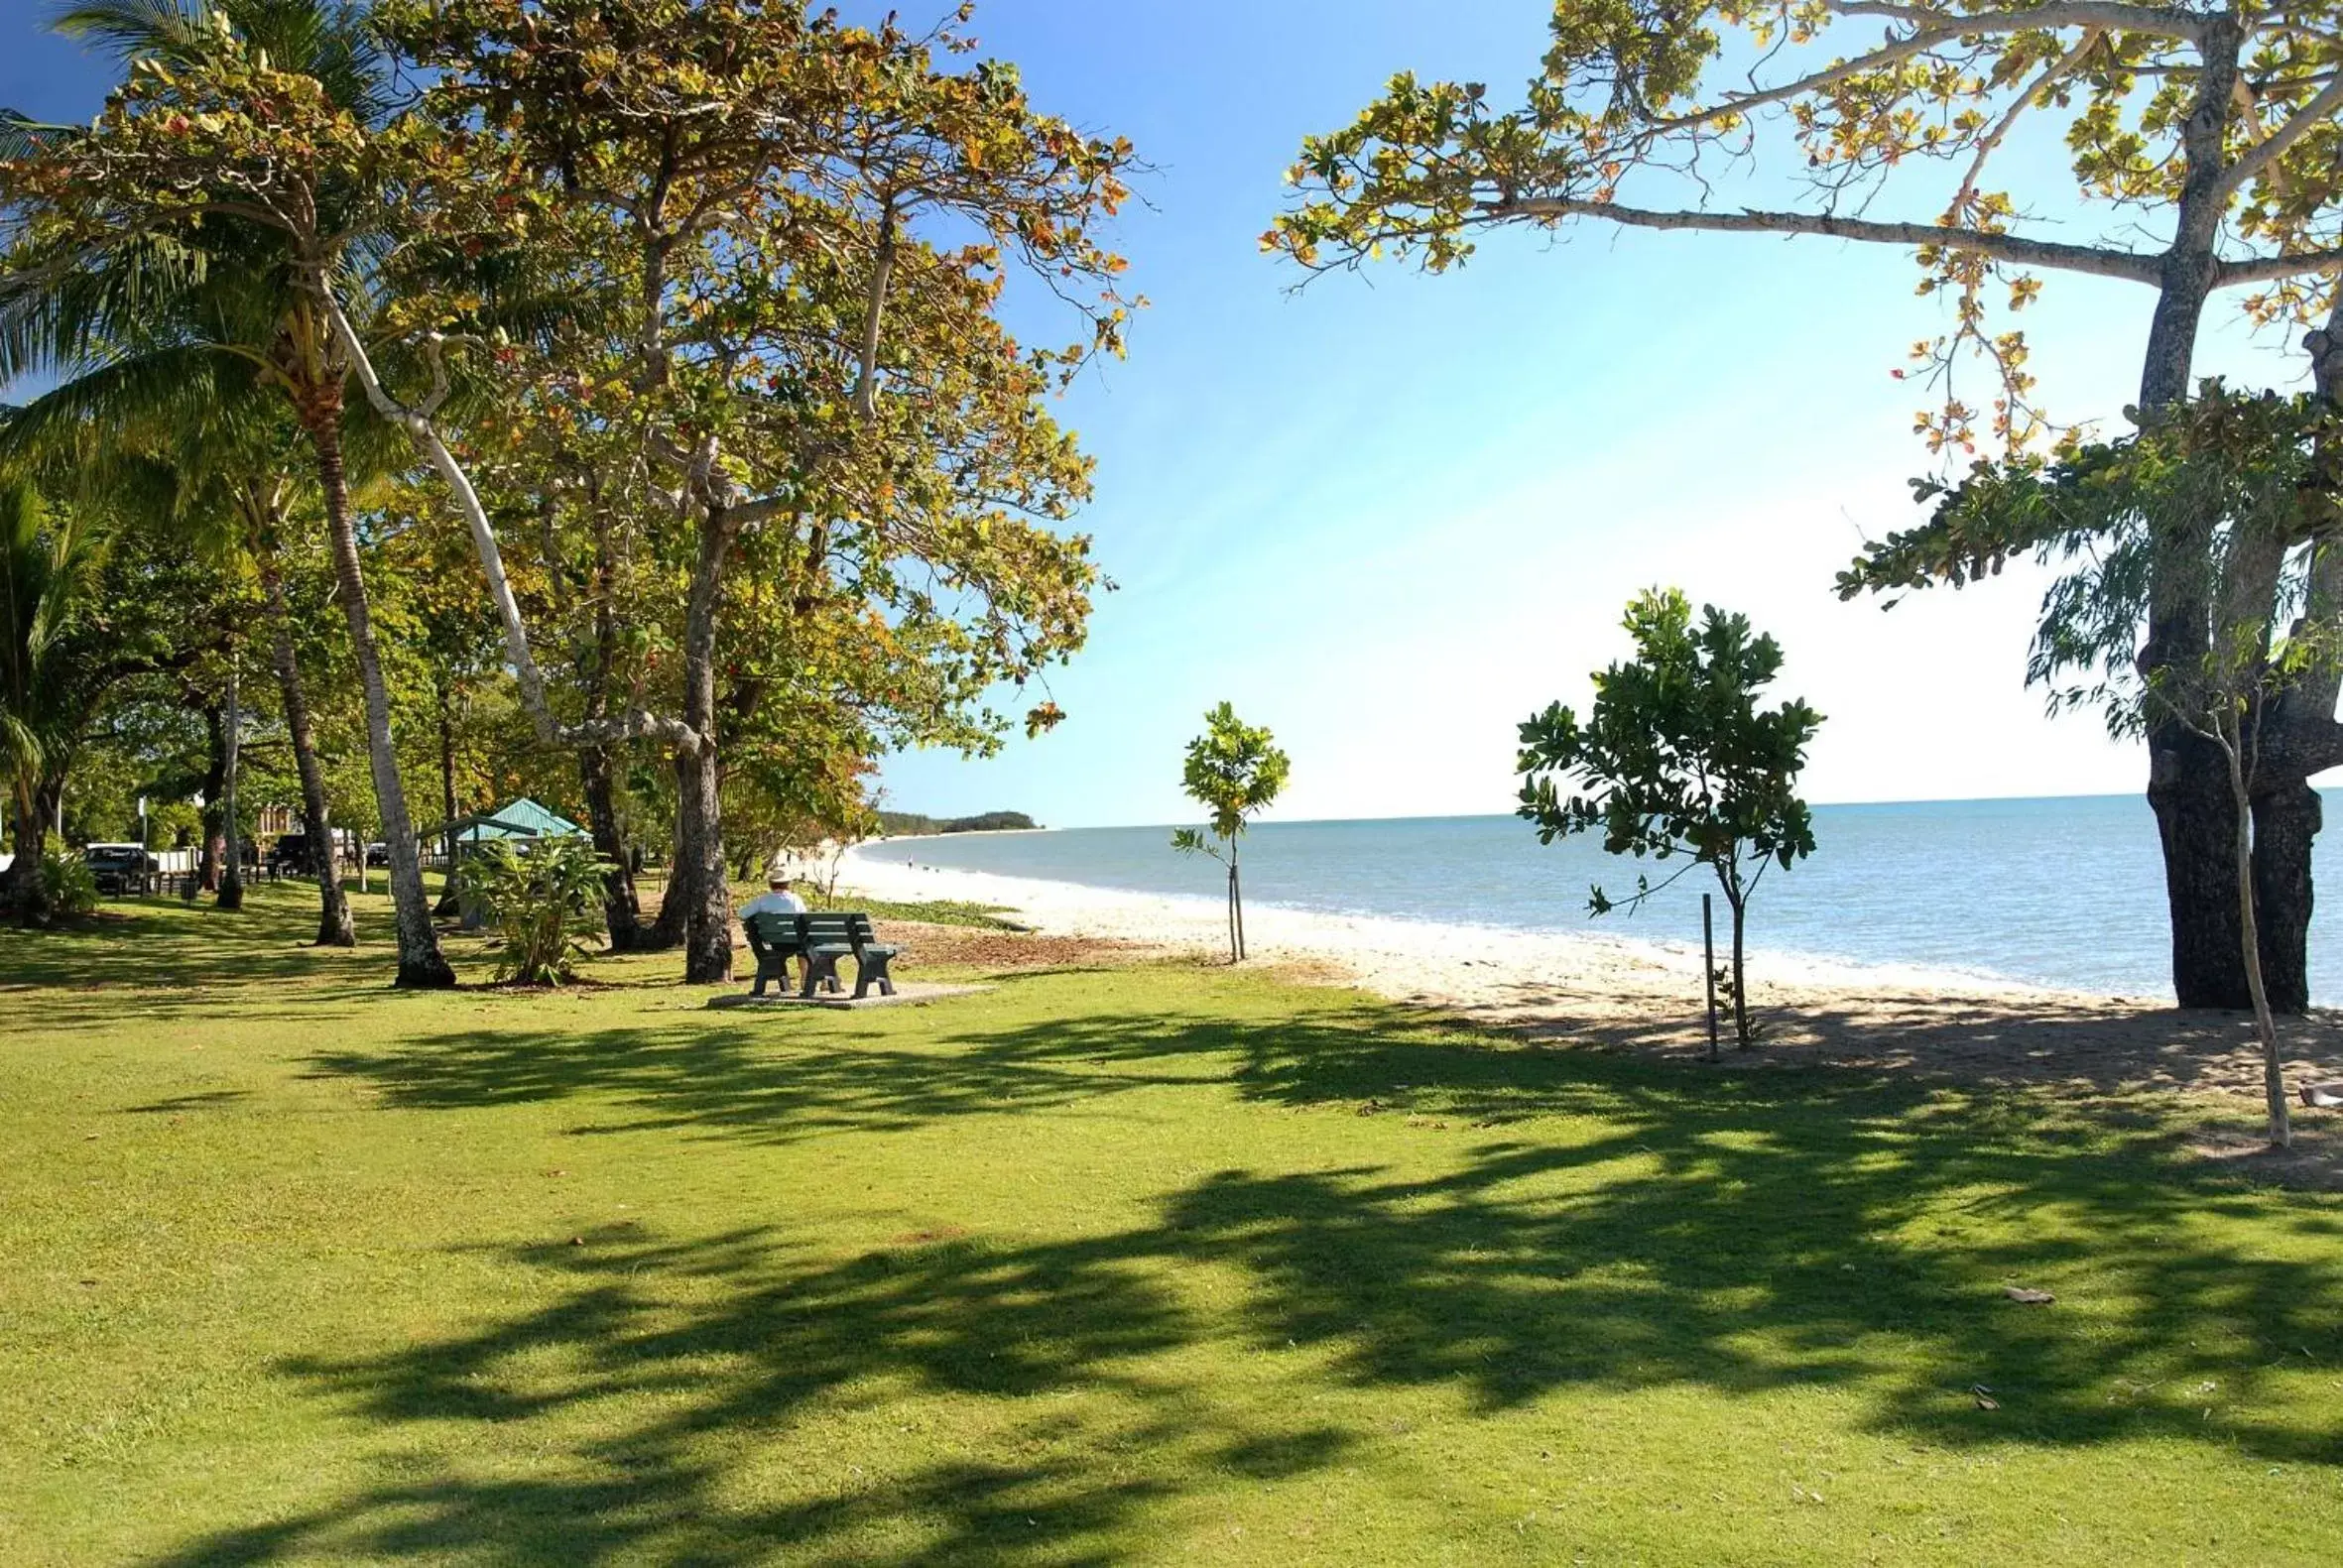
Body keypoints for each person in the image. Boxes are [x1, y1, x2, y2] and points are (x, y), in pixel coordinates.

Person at [739, 869, 808, 920]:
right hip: (793, 938)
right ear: (788, 884)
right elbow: (805, 918)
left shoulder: (762, 900)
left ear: (770, 884)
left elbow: (742, 914)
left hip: (768, 938)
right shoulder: (796, 899)